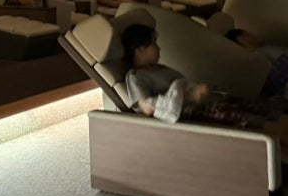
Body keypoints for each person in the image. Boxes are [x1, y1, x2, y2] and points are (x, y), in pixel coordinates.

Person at [122, 23, 288, 132]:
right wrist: (191, 96)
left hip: (210, 101)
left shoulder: (160, 69)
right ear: (140, 49)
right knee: (258, 121)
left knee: (267, 107)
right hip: (195, 112)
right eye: (153, 44)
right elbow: (147, 108)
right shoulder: (136, 76)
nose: (158, 48)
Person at [226, 28, 288, 96]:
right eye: (247, 34)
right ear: (240, 39)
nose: (253, 35)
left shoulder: (262, 50)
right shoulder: (255, 56)